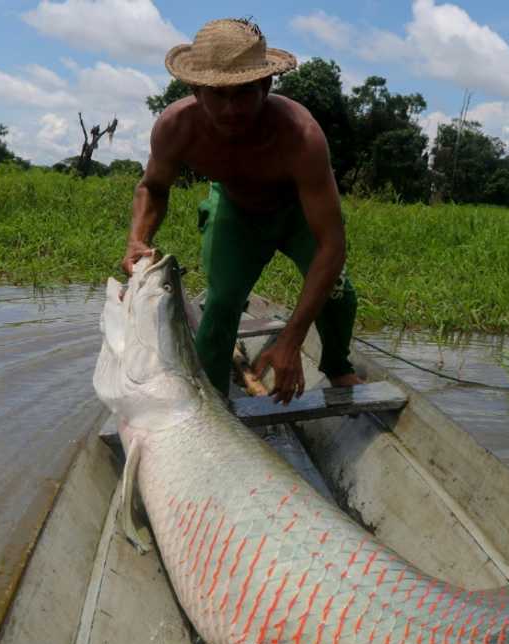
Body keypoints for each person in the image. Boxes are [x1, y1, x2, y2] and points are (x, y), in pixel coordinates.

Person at [121, 18, 362, 404]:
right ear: (195, 89)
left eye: (244, 92)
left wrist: (291, 340)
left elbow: (332, 243)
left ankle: (337, 367)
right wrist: (138, 239)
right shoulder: (176, 127)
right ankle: (212, 402)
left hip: (296, 213)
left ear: (266, 86)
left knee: (339, 296)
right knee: (220, 306)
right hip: (236, 211)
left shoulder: (301, 136)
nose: (231, 109)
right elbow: (152, 187)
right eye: (218, 95)